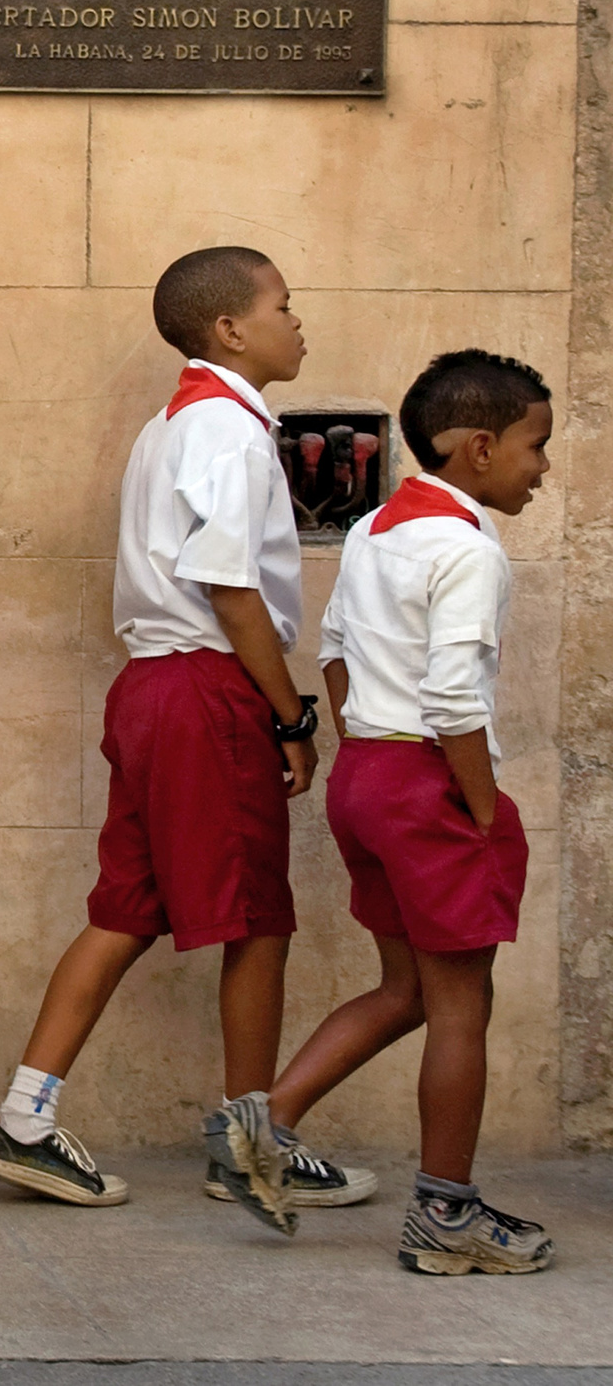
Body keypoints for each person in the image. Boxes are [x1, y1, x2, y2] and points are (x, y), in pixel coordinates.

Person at [0, 245, 362, 1234]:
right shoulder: (225, 433)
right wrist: (288, 714)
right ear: (228, 328)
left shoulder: (173, 426)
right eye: (282, 304)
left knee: (128, 906)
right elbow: (231, 589)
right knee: (257, 921)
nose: (297, 320)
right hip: (205, 688)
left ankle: (27, 1111)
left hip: (151, 688)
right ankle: (249, 1142)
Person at [265, 350, 554, 1275]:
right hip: (430, 783)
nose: (543, 467)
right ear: (478, 447)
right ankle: (447, 1215)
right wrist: (478, 810)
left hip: (368, 777)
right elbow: (458, 700)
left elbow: (338, 653)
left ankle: (260, 1124)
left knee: (408, 991)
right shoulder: (467, 549)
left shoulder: (376, 528)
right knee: (463, 1007)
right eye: (534, 446)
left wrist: (368, 757)